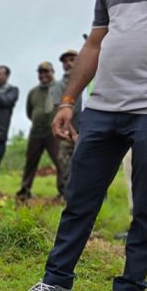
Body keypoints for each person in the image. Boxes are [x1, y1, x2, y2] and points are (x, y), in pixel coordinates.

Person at [16, 0, 147, 291]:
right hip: (105, 106)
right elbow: (95, 45)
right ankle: (57, 280)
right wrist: (69, 101)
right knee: (80, 195)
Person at [17, 62, 64, 199]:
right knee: (30, 162)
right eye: (40, 72)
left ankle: (63, 192)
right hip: (36, 133)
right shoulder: (33, 92)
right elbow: (28, 112)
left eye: (46, 72)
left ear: (53, 72)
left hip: (54, 133)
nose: (43, 75)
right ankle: (24, 191)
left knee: (60, 162)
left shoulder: (60, 88)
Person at [52, 48, 82, 194]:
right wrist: (73, 133)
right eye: (65, 62)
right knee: (67, 168)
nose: (68, 64)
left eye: (72, 60)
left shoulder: (89, 79)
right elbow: (60, 110)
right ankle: (67, 198)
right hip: (68, 133)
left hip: (89, 130)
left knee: (93, 166)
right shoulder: (59, 85)